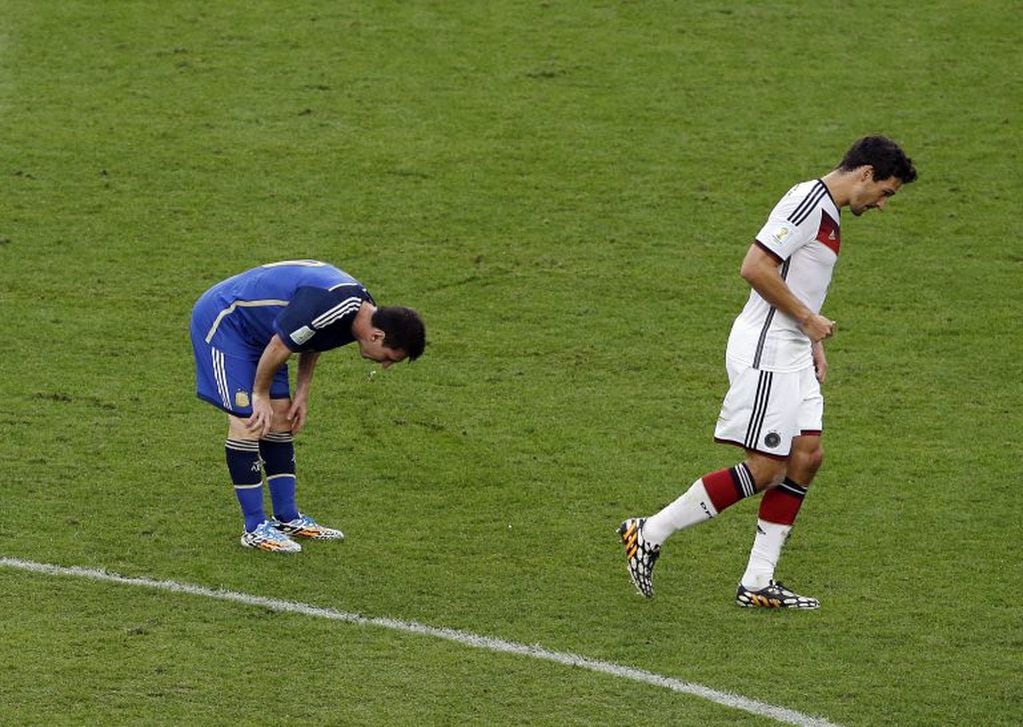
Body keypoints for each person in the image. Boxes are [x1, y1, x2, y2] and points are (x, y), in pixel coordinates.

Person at [619, 136, 917, 608]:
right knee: (767, 467)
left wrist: (813, 338)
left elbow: (801, 281)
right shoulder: (807, 202)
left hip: (795, 348)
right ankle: (649, 531)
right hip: (767, 349)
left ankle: (757, 581)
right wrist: (805, 320)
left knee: (807, 456)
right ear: (866, 174)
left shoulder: (831, 214)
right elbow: (755, 267)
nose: (881, 204)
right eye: (885, 192)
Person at [190, 260, 426, 553]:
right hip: (227, 324)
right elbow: (283, 344)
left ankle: (286, 518)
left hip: (265, 337)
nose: (387, 365)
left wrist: (302, 391)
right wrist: (259, 393)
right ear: (376, 337)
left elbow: (312, 338)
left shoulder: (363, 313)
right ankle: (253, 528)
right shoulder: (333, 303)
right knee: (248, 420)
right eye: (391, 356)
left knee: (280, 420)